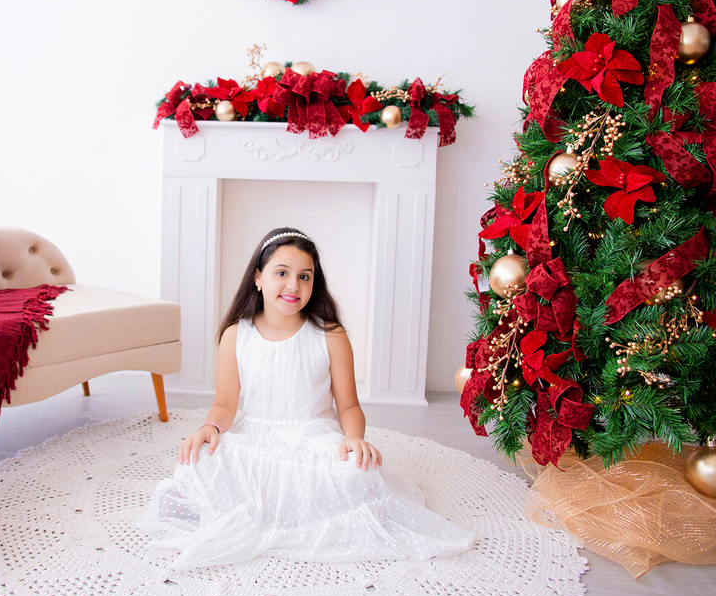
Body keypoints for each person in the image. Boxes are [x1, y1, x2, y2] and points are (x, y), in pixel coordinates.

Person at [138, 227, 475, 569]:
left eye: (304, 276)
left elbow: (348, 406)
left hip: (313, 439)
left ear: (315, 283)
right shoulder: (236, 335)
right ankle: (265, 507)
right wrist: (210, 426)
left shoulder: (329, 335)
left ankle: (282, 509)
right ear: (258, 277)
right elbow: (225, 403)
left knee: (358, 473)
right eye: (281, 273)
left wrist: (354, 438)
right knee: (199, 459)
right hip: (257, 437)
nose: (293, 286)